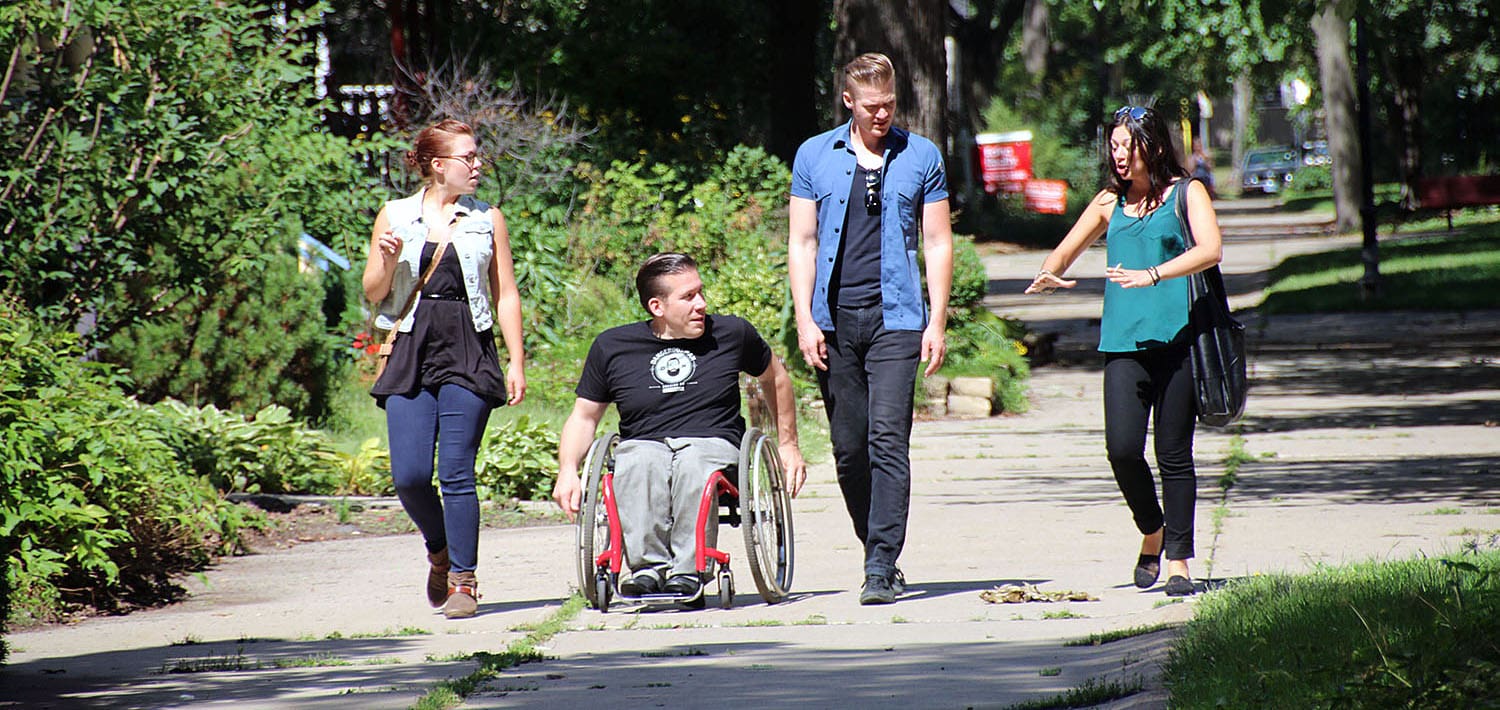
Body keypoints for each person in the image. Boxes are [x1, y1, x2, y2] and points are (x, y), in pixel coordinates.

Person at [1024, 105, 1224, 597]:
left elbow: (1211, 248)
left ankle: (1177, 559)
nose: (1116, 155)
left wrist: (1154, 274)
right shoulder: (1108, 204)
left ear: (1151, 147)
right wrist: (1050, 272)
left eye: (1125, 145)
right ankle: (1151, 528)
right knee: (1121, 450)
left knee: (1174, 454)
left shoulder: (1186, 193)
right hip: (1122, 343)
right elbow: (1066, 249)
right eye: (1111, 146)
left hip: (1178, 339)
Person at [787, 52, 953, 605]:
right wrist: (804, 317)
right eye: (872, 106)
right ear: (849, 101)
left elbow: (936, 242)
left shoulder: (921, 156)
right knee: (848, 449)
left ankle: (882, 563)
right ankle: (873, 547)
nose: (882, 115)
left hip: (898, 319)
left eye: (890, 105)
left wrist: (937, 319)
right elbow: (803, 242)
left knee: (888, 440)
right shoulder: (815, 155)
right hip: (834, 322)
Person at [552, 253, 807, 603]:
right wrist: (568, 470)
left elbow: (775, 377)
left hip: (712, 442)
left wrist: (788, 444)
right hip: (644, 442)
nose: (701, 304)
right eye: (688, 297)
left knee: (692, 463)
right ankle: (647, 570)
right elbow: (584, 416)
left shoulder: (731, 333)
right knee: (638, 461)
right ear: (657, 306)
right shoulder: (613, 347)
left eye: (700, 292)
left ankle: (690, 569)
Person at [362, 119, 527, 619]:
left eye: (478, 157)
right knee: (410, 476)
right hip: (411, 345)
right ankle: (438, 549)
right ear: (438, 165)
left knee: (457, 471)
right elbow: (373, 293)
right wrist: (388, 261)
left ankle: (463, 580)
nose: (478, 166)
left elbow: (506, 293)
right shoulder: (393, 215)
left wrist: (516, 359)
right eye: (468, 158)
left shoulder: (488, 218)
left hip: (468, 347)